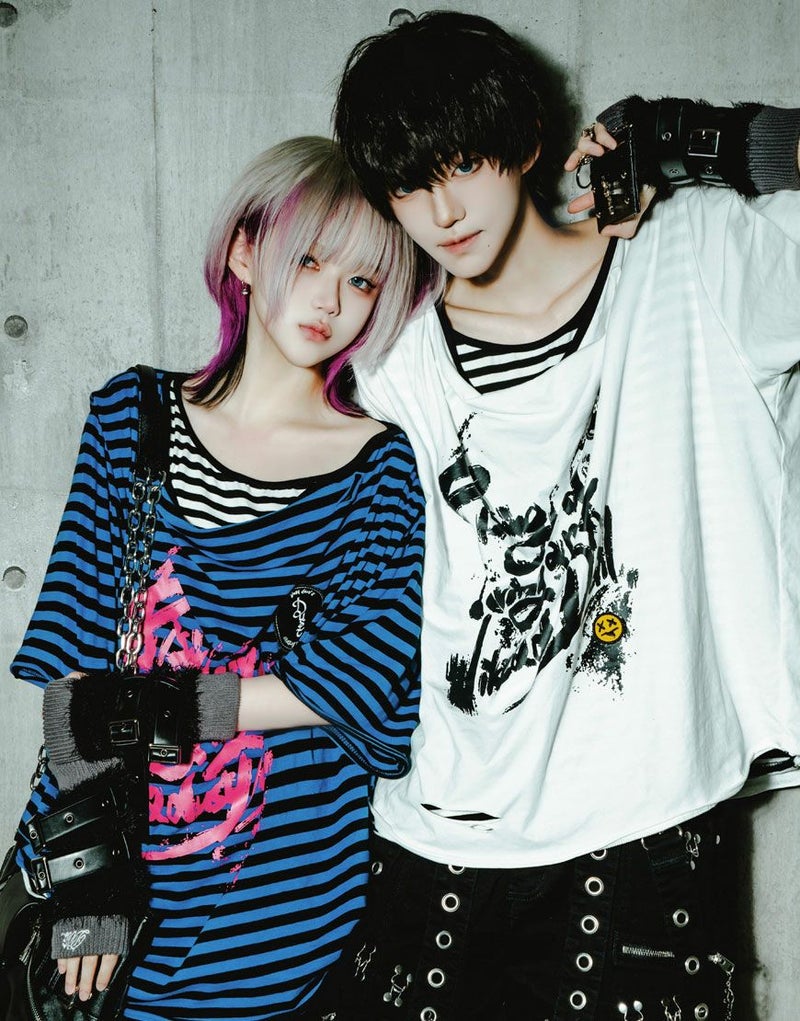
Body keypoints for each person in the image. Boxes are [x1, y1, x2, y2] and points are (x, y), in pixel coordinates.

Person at [331, 11, 800, 1020]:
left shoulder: (690, 260)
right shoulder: (391, 363)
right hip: (439, 834)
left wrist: (692, 134)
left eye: (462, 162)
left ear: (527, 138)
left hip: (646, 830)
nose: (442, 208)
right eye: (409, 184)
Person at [10, 135, 436, 1020]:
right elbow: (72, 668)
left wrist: (152, 705)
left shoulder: (383, 469)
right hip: (111, 871)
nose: (330, 300)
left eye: (363, 280)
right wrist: (89, 884)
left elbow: (356, 679)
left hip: (282, 916)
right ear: (245, 250)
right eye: (309, 259)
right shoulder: (132, 417)